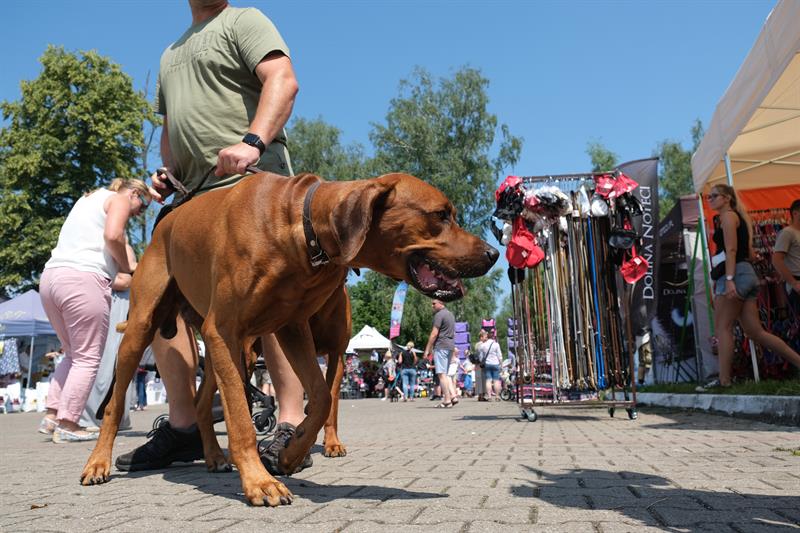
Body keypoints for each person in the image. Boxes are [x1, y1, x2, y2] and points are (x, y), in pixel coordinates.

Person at [114, 0, 306, 474]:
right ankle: (184, 428)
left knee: (272, 302)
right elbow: (171, 126)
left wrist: (253, 141)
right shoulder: (169, 53)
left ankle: (290, 422)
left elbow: (283, 81)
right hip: (194, 200)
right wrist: (169, 172)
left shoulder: (244, 20)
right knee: (161, 303)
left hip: (254, 184)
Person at [39, 178, 150, 443]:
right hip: (84, 279)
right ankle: (69, 424)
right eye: (142, 206)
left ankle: (52, 416)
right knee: (88, 357)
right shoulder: (120, 199)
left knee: (71, 353)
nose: (138, 213)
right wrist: (127, 267)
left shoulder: (88, 198)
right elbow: (113, 236)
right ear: (135, 193)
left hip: (51, 277)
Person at [699, 185, 800, 390]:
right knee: (755, 332)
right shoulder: (738, 218)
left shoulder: (728, 217)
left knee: (723, 328)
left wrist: (729, 279)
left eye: (714, 196)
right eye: (709, 196)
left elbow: (731, 249)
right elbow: (748, 252)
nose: (710, 199)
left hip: (735, 274)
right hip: (746, 274)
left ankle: (724, 380)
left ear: (726, 198)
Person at [79, 243, 140, 430]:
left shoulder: (117, 244)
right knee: (101, 360)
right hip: (107, 299)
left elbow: (125, 279)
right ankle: (98, 417)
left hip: (115, 301)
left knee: (111, 361)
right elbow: (125, 278)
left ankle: (107, 417)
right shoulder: (105, 243)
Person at [423, 299, 457, 408]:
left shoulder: (439, 315)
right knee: (445, 374)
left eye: (434, 303)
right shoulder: (450, 314)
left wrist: (427, 350)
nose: (432, 305)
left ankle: (447, 400)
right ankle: (453, 396)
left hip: (441, 346)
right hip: (450, 346)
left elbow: (434, 334)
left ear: (441, 303)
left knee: (441, 375)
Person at [772, 199, 800, 316]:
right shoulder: (787, 233)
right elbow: (776, 260)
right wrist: (794, 283)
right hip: (796, 281)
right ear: (795, 213)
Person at [475, 329, 503, 400]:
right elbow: (499, 356)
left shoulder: (483, 345)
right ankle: (497, 396)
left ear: (487, 337)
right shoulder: (496, 344)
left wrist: (482, 362)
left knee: (488, 380)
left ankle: (489, 396)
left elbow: (481, 357)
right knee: (496, 380)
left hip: (487, 364)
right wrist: (501, 364)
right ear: (493, 337)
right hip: (495, 364)